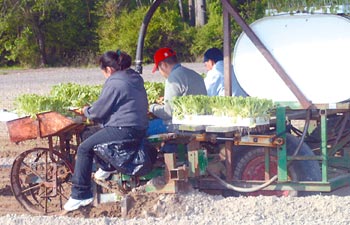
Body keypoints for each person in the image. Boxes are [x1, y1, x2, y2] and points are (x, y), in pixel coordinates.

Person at [63, 50, 149, 212]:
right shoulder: (134, 77)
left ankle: (80, 194)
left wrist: (86, 110)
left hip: (124, 129)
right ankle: (107, 166)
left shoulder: (115, 81)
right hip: (138, 127)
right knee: (88, 134)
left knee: (83, 149)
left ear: (109, 69)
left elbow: (99, 111)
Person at [148, 47, 207, 133]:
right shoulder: (195, 74)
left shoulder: (173, 78)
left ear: (164, 65)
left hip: (183, 126)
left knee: (145, 127)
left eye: (158, 69)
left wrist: (151, 108)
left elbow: (168, 112)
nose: (160, 72)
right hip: (200, 123)